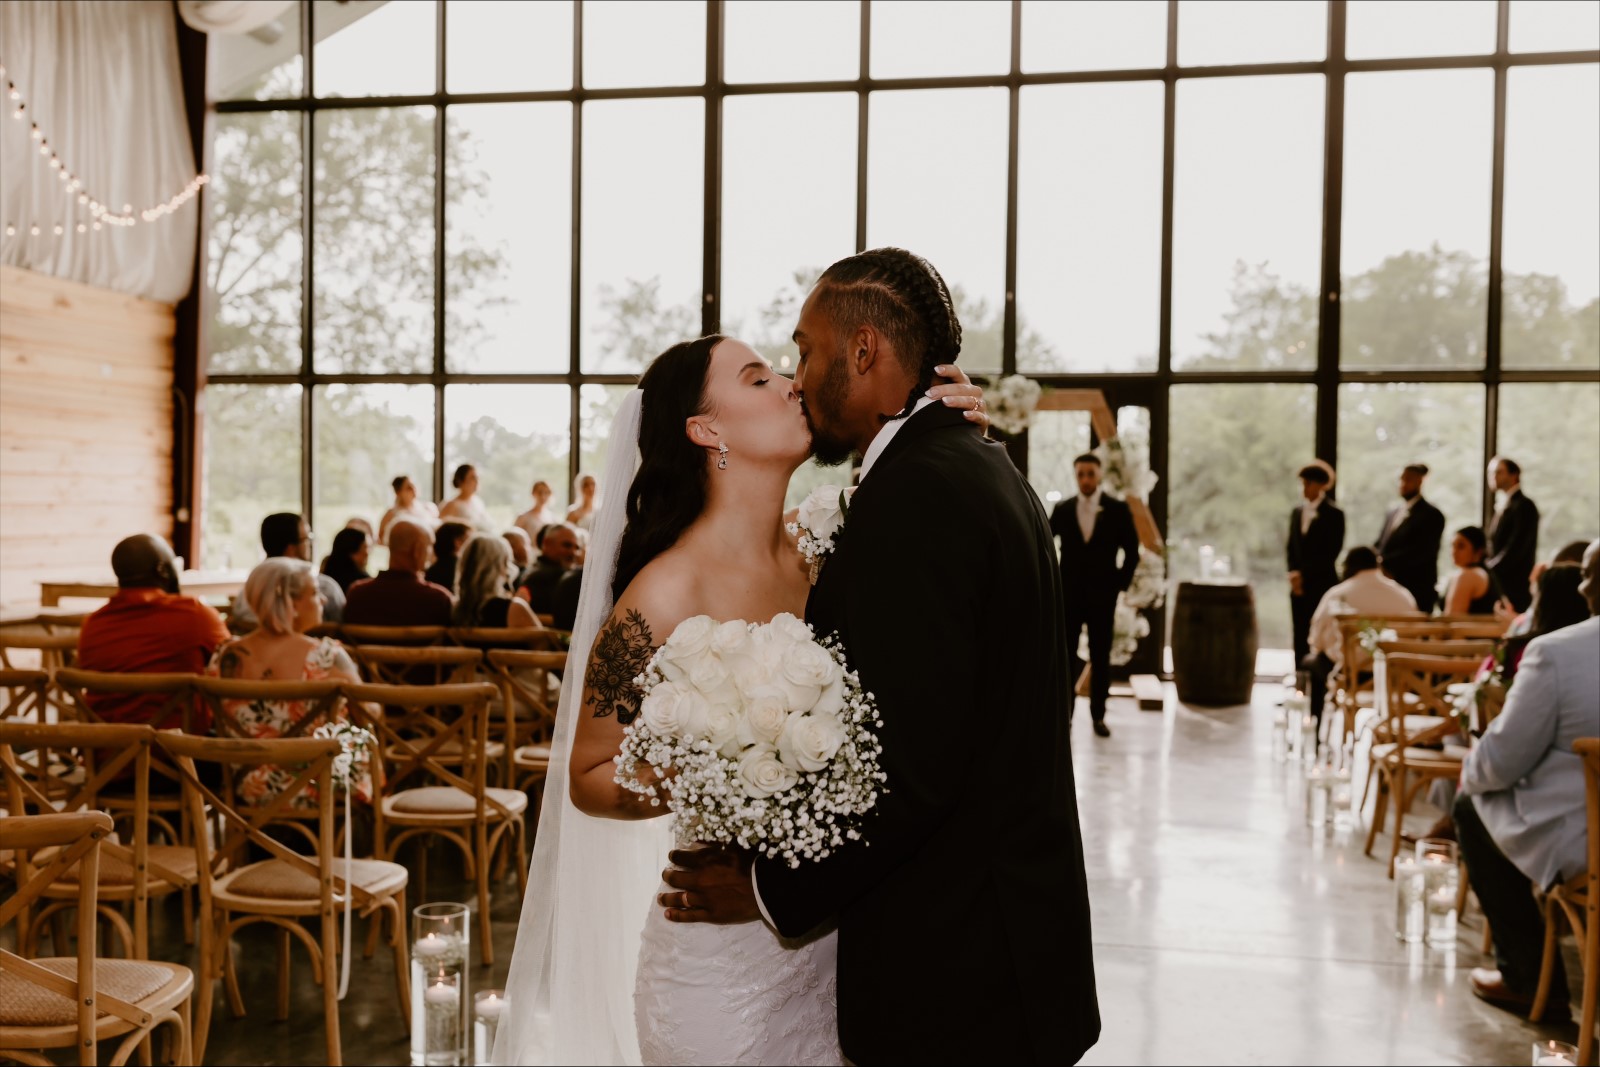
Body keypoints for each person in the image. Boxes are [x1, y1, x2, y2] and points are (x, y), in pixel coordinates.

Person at [495, 261, 1015, 1066]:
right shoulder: (662, 594)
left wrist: (948, 429)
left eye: (784, 366)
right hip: (718, 962)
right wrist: (715, 777)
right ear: (707, 431)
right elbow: (589, 772)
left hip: (834, 941)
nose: (791, 382)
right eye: (759, 376)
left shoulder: (828, 543)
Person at [1457, 539, 1599, 1020]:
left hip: (1588, 849)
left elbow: (1502, 759)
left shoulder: (1558, 652)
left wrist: (1470, 773)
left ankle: (1530, 977)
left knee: (1470, 806)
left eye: (1588, 575)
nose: (1581, 586)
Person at [207, 558, 367, 808]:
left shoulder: (224, 656)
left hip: (245, 788)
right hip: (318, 788)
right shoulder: (326, 656)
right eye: (314, 592)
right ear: (291, 603)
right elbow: (368, 712)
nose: (323, 600)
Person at [75, 534, 230, 731]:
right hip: (180, 747)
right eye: (174, 564)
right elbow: (233, 664)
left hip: (107, 746)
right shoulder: (195, 615)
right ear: (162, 570)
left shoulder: (92, 625)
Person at [1049, 452, 1141, 739]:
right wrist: (1054, 584)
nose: (1086, 479)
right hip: (1069, 595)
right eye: (1081, 474)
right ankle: (1065, 716)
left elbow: (1132, 551)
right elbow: (1046, 547)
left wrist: (1118, 585)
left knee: (1101, 656)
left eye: (1090, 473)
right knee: (1066, 656)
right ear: (1076, 476)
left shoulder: (1117, 509)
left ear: (1099, 475)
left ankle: (1099, 716)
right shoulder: (1063, 509)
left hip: (1103, 596)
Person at [1303, 545, 1417, 722]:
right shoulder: (1403, 596)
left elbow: (1315, 641)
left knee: (1311, 661)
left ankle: (1314, 723)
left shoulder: (1337, 594)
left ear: (1347, 566)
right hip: (1394, 675)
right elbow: (1414, 641)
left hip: (1349, 675)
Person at [229, 513, 344, 629]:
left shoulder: (248, 593)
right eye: (307, 538)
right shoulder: (325, 587)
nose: (310, 544)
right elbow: (342, 628)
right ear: (291, 548)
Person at [1286, 460, 1344, 667]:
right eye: (1303, 483)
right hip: (1297, 584)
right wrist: (1293, 574)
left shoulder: (1335, 514)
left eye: (1308, 483)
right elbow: (1291, 547)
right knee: (1299, 629)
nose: (1305, 488)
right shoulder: (1297, 512)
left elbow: (1331, 552)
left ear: (1321, 485)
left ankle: (1317, 678)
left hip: (1321, 582)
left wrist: (1305, 575)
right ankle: (1299, 674)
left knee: (1319, 629)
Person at [344, 520, 454, 628]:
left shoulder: (356, 595)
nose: (432, 553)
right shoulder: (440, 601)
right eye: (430, 546)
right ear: (417, 550)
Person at [1374, 462, 1446, 612]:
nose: (1403, 484)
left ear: (1419, 481)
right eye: (1401, 479)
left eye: (1408, 479)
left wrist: (1385, 563)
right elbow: (1381, 543)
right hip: (1388, 586)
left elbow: (1422, 551)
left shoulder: (1432, 515)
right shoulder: (1393, 512)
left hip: (1416, 587)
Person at [1486, 456, 1540, 613]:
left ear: (1514, 475)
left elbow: (1516, 547)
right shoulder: (1505, 504)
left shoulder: (1524, 505)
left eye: (1499, 472)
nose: (1493, 476)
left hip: (1516, 583)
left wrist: (1491, 569)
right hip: (1502, 582)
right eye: (1491, 472)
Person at [452, 534, 539, 629]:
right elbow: (545, 637)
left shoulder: (451, 609)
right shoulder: (513, 608)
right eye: (507, 561)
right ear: (500, 567)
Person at [515, 522, 580, 613]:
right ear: (547, 543)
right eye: (567, 545)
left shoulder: (532, 570)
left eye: (577, 548)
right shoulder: (543, 577)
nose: (573, 552)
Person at [1442, 525, 1507, 615]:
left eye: (1461, 546)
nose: (1454, 551)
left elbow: (1451, 617)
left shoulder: (1468, 575)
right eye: (1453, 546)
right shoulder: (1484, 573)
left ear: (1478, 551)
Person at [378, 475, 438, 545]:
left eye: (414, 485)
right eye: (409, 487)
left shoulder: (428, 508)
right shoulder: (391, 514)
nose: (413, 489)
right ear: (398, 492)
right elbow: (381, 540)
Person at [439, 463, 493, 530]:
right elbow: (443, 530)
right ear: (460, 481)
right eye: (473, 478)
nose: (477, 481)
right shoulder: (452, 505)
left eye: (477, 478)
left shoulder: (478, 502)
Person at [319, 526, 371, 595]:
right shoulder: (363, 584)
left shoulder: (325, 573)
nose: (368, 553)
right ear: (352, 552)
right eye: (365, 547)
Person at [425, 521, 470, 591]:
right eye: (470, 539)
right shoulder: (462, 570)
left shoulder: (431, 570)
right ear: (457, 542)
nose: (473, 544)